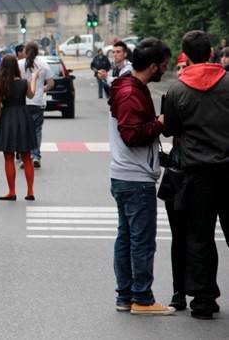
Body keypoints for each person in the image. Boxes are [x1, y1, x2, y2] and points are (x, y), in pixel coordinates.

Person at [163, 30, 229, 320]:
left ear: (185, 56)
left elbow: (172, 129)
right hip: (228, 170)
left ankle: (203, 300)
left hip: (196, 173)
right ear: (212, 51)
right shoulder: (228, 82)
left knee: (199, 237)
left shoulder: (178, 90)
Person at [108, 37, 173, 315]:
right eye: (164, 66)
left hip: (124, 175)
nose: (165, 71)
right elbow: (132, 134)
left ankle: (126, 296)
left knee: (127, 238)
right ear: (154, 66)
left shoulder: (127, 86)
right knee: (141, 241)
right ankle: (142, 299)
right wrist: (158, 124)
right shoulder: (131, 93)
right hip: (135, 178)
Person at [157, 52, 188, 312]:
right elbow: (167, 130)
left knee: (199, 236)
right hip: (177, 171)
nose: (180, 72)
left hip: (198, 171)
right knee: (179, 237)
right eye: (178, 67)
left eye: (185, 66)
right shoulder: (173, 95)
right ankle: (180, 291)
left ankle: (202, 290)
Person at [0, 55, 39, 201]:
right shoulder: (24, 83)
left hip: (7, 118)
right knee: (26, 156)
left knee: (8, 157)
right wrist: (34, 78)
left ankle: (12, 191)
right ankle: (30, 191)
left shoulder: (0, 84)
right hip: (23, 117)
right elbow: (31, 96)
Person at [18, 43, 54, 168]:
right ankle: (36, 156)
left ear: (25, 51)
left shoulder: (20, 64)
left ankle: (25, 158)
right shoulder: (43, 64)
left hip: (23, 102)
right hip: (37, 102)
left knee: (24, 131)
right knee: (37, 130)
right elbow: (51, 83)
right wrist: (41, 90)